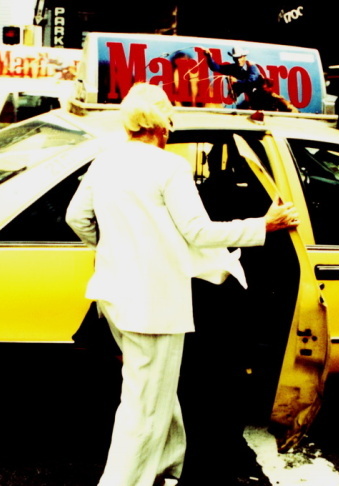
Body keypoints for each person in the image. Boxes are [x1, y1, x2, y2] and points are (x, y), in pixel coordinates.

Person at [65, 82, 299, 486]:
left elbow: (76, 217)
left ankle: (168, 465)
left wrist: (114, 249)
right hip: (154, 305)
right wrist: (264, 225)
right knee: (144, 406)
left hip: (112, 296)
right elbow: (199, 232)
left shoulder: (105, 161)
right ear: (164, 124)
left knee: (156, 392)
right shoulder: (169, 167)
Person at [203, 46, 298, 112]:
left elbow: (252, 80)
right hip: (254, 100)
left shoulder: (252, 66)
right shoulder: (233, 68)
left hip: (267, 96)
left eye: (240, 57)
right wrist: (209, 57)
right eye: (235, 58)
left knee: (287, 108)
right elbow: (216, 68)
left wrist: (237, 81)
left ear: (244, 57)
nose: (238, 60)